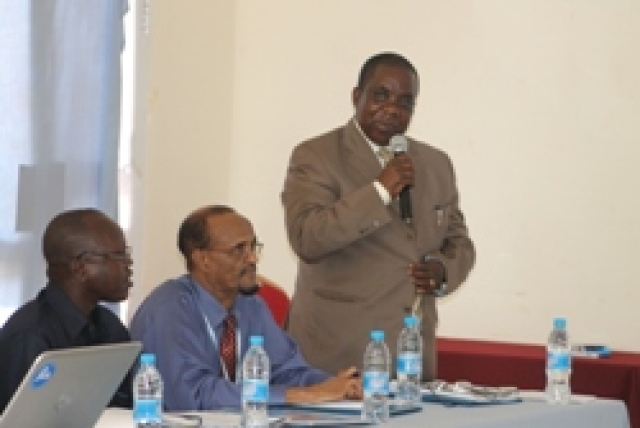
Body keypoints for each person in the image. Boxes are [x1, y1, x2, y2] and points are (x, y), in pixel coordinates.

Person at [281, 52, 476, 380]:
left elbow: (460, 242)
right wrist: (380, 191)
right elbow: (307, 238)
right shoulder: (316, 156)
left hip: (412, 363)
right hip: (337, 358)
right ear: (357, 97)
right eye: (381, 96)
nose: (392, 109)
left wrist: (442, 271)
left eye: (405, 102)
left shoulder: (436, 164)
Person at [129, 205, 361, 411]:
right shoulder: (169, 310)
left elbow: (287, 371)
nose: (252, 259)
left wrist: (339, 385)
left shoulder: (250, 304)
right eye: (238, 249)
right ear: (202, 259)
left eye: (253, 247)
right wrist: (300, 395)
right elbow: (193, 395)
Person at [0, 208, 134, 413]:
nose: (128, 264)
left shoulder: (109, 326)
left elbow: (126, 408)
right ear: (81, 268)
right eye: (119, 255)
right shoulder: (30, 336)